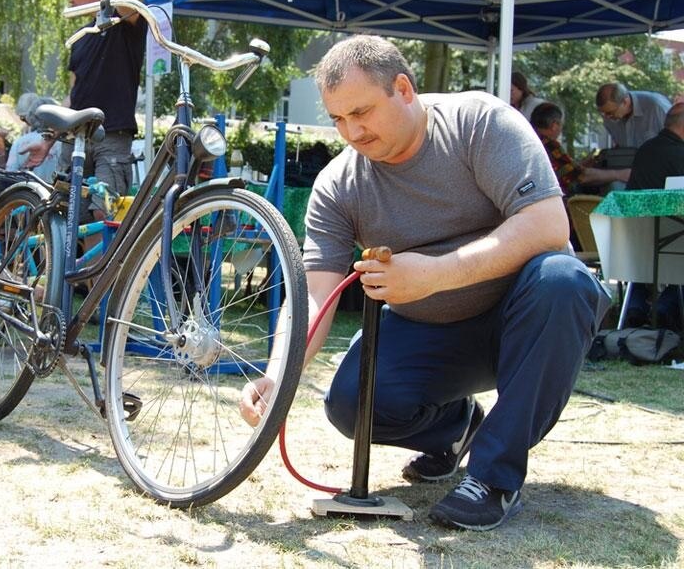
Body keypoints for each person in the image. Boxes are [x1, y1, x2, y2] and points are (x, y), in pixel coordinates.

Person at [239, 36, 610, 531]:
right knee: (351, 405)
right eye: (337, 119)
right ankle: (457, 429)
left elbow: (547, 226)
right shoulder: (338, 184)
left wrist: (435, 273)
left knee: (564, 279)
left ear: (403, 88)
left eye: (362, 112)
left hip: (526, 318)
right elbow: (315, 292)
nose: (352, 131)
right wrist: (278, 373)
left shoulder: (480, 122)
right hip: (431, 334)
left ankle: (493, 476)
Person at [61, 0, 146, 219]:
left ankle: (103, 263)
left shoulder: (125, 24)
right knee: (72, 217)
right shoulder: (80, 38)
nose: (70, 0)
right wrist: (52, 134)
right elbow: (72, 94)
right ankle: (81, 263)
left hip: (112, 136)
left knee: (104, 215)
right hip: (75, 138)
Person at [622, 103, 684, 329]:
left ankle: (635, 308)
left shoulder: (645, 150)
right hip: (671, 241)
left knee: (645, 262)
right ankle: (666, 308)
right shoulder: (679, 154)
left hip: (634, 244)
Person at [595, 82, 671, 150]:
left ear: (625, 102)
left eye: (610, 112)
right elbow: (620, 146)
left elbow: (677, 142)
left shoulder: (656, 107)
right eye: (603, 113)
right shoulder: (609, 116)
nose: (606, 117)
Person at [530, 102, 582, 197]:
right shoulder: (551, 146)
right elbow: (576, 175)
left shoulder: (528, 138)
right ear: (554, 125)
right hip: (548, 198)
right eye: (561, 124)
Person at [6, 93, 62, 181]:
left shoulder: (19, 143)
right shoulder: (63, 144)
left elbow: (9, 174)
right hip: (55, 192)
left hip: (26, 192)